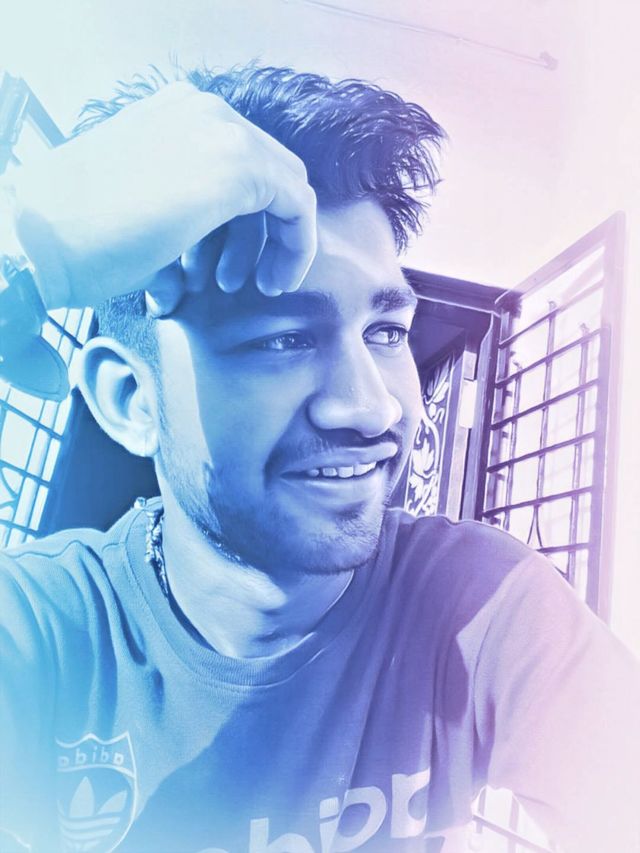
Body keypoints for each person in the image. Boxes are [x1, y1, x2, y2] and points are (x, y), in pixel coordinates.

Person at [0, 65, 638, 853]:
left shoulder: (479, 607)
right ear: (131, 398)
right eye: (283, 339)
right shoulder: (44, 631)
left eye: (386, 332)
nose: (372, 406)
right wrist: (17, 250)